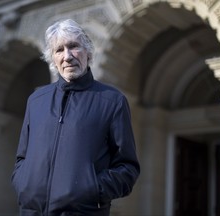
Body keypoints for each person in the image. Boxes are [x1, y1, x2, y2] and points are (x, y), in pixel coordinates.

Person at [11, 19, 140, 216]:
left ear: (87, 52)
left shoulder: (112, 101)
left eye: (73, 46)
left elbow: (127, 168)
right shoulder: (36, 100)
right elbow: (22, 158)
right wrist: (24, 186)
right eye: (59, 50)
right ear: (53, 59)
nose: (67, 56)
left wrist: (91, 190)